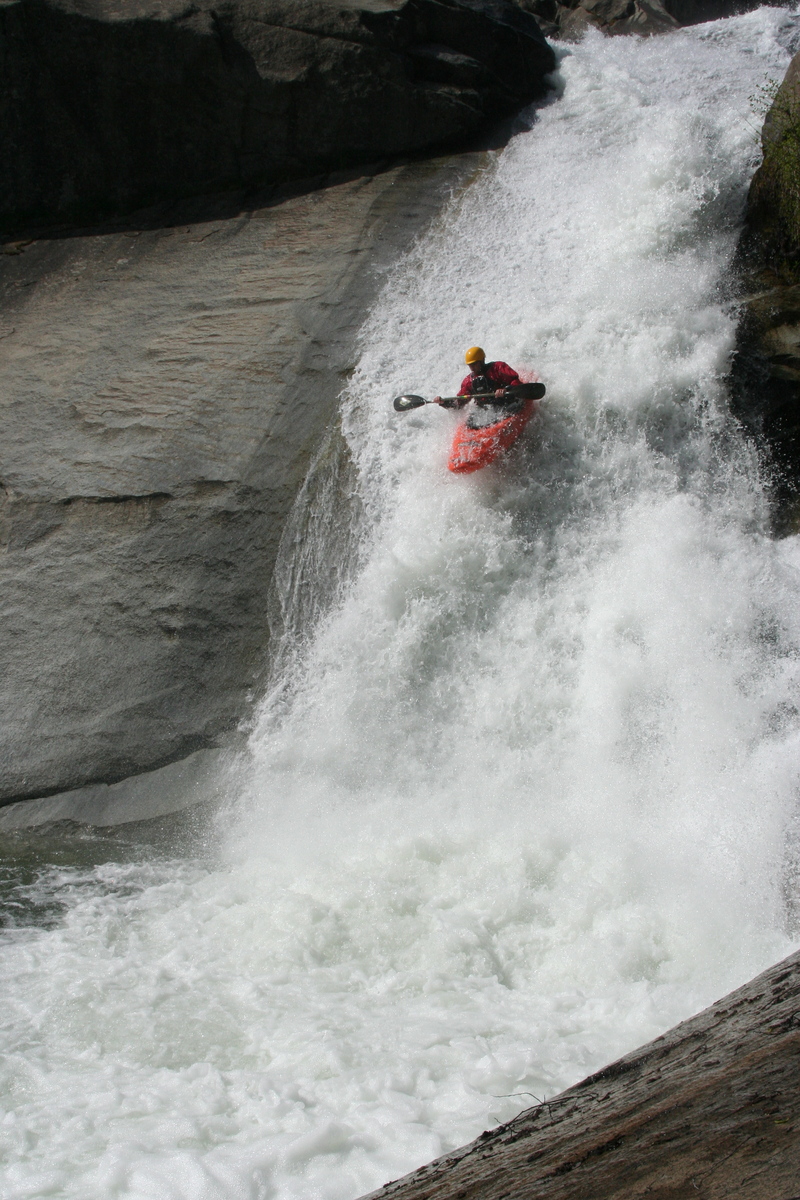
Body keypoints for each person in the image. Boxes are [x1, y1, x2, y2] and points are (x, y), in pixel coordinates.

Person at [433, 347, 523, 410]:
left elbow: (515, 381)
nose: (472, 367)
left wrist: (505, 389)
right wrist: (443, 402)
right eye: (470, 365)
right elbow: (459, 403)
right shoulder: (469, 381)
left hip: (506, 402)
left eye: (474, 364)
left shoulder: (498, 367)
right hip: (486, 410)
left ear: (482, 361)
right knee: (472, 421)